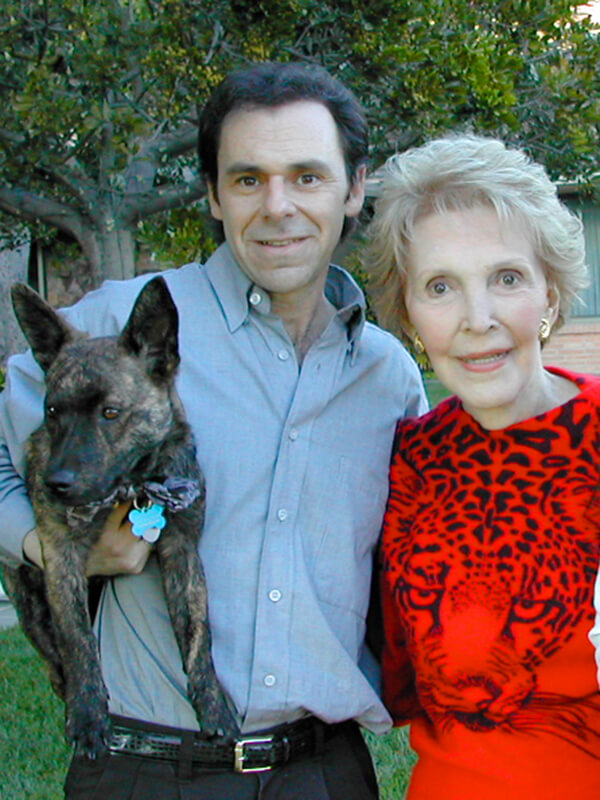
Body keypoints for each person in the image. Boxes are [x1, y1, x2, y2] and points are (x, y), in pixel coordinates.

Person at [0, 62, 428, 799]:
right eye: (247, 179)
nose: (278, 206)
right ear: (212, 194)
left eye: (307, 176)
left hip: (325, 771)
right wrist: (49, 543)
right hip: (144, 769)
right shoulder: (116, 326)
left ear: (354, 189)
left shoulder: (388, 377)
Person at [365, 134, 600, 798]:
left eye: (506, 278)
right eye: (441, 287)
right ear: (409, 314)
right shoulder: (410, 461)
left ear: (549, 295)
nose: (477, 318)